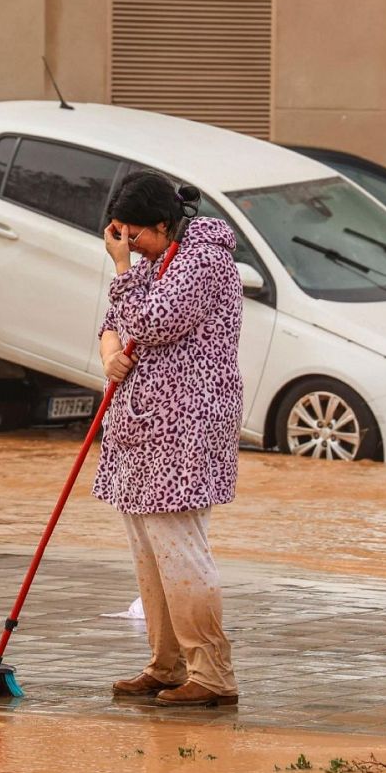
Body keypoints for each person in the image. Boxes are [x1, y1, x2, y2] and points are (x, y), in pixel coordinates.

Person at [94, 169, 242, 707]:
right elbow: (116, 318)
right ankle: (165, 663)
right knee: (148, 551)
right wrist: (110, 353)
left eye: (135, 236)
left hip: (187, 426)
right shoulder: (157, 262)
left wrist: (121, 266)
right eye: (119, 237)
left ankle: (212, 674)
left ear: (163, 223)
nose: (129, 247)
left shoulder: (205, 260)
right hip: (138, 427)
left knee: (180, 549)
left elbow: (152, 321)